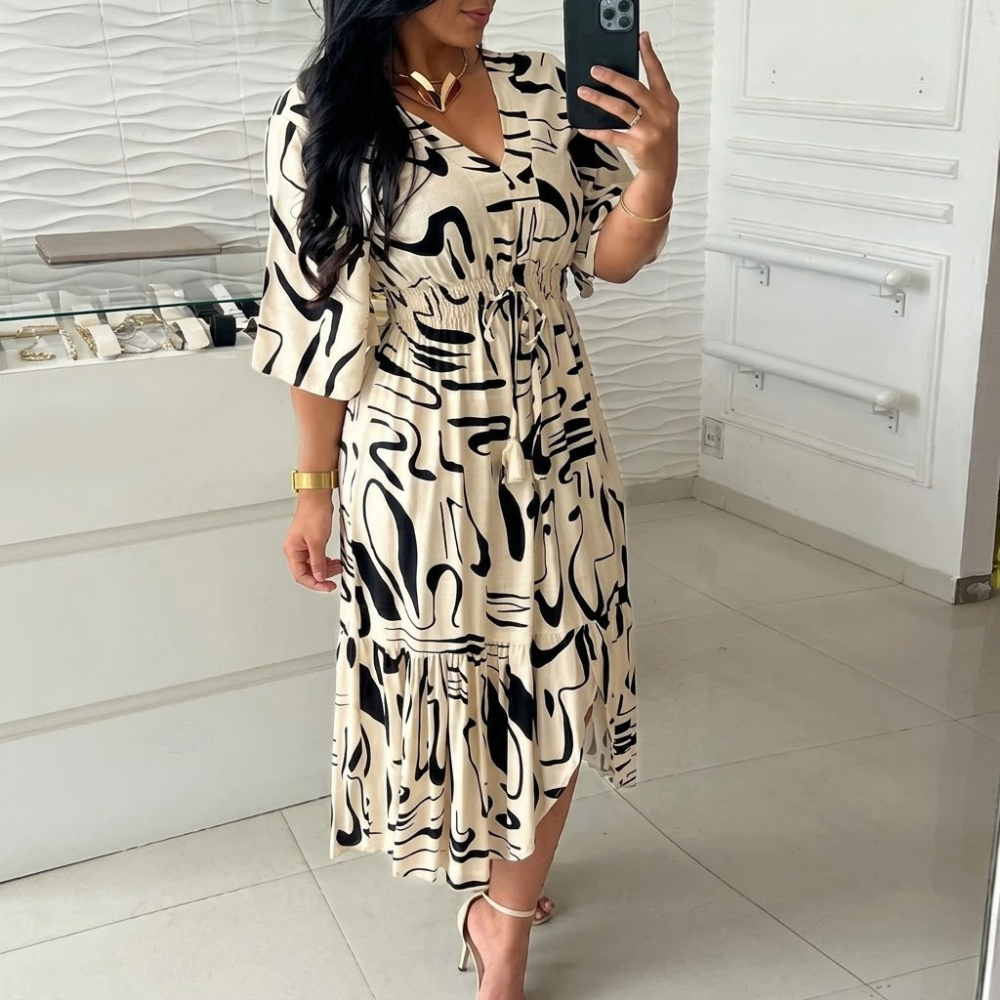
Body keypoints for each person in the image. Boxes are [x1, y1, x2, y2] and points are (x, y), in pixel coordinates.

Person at [250, 2, 678, 997]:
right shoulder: (321, 115)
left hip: (560, 442)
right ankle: (500, 871)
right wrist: (313, 490)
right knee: (462, 686)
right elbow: (315, 323)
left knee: (559, 675)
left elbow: (609, 257)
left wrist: (657, 168)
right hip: (418, 463)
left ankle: (505, 921)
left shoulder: (546, 88)